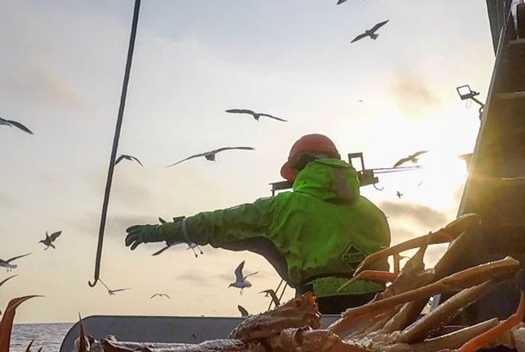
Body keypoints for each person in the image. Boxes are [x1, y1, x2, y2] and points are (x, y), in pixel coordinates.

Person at [125, 133, 391, 313]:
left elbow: (221, 222)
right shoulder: (375, 212)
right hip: (381, 310)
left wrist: (165, 231)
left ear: (301, 166)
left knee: (254, 235)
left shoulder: (284, 206)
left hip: (319, 307)